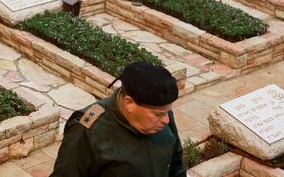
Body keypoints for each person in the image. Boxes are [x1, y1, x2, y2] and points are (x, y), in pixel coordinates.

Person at [50, 61, 186, 177]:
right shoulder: (88, 130)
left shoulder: (163, 114)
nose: (166, 120)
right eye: (158, 114)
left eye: (167, 111)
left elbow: (176, 165)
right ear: (130, 103)